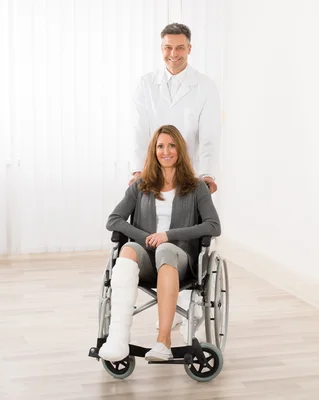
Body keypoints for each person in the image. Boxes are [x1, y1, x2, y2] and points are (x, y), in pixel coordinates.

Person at [128, 22, 222, 339]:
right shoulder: (146, 84)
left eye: (180, 47)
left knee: (184, 242)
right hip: (153, 174)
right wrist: (137, 170)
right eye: (168, 47)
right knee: (151, 233)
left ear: (190, 49)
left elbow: (209, 136)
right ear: (161, 49)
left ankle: (180, 316)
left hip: (189, 177)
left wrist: (207, 174)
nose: (173, 54)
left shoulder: (205, 86)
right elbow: (139, 131)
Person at [99, 125, 221, 362]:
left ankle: (163, 341)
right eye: (161, 146)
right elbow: (113, 220)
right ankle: (118, 338)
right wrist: (144, 237)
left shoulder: (197, 188)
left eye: (172, 145)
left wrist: (169, 235)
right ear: (153, 151)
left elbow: (213, 226)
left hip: (180, 259)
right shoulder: (141, 185)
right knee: (127, 249)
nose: (166, 151)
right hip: (147, 258)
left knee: (165, 248)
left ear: (180, 149)